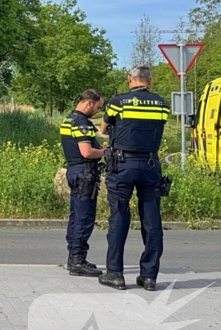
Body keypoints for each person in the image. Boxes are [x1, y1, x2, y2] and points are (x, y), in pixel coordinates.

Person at [98, 66, 171, 291]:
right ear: (150, 81)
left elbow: (103, 129)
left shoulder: (119, 102)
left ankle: (115, 274)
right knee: (152, 220)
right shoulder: (162, 104)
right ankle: (149, 277)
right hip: (150, 166)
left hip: (122, 166)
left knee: (119, 218)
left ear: (130, 79)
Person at [60, 89, 107, 277]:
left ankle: (73, 257)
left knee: (76, 216)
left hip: (75, 171)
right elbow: (87, 152)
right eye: (98, 107)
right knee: (84, 218)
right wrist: (106, 152)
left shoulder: (69, 119)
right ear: (89, 103)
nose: (98, 111)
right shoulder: (81, 124)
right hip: (84, 174)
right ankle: (78, 260)